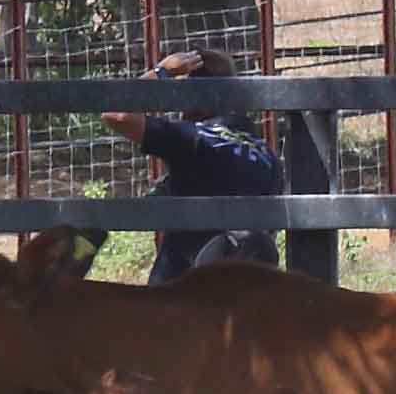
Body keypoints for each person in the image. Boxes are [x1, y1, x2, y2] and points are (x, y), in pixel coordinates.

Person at [104, 47, 283, 279]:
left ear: (192, 92)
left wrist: (161, 73)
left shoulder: (195, 139)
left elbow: (116, 114)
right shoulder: (267, 155)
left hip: (184, 293)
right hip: (249, 291)